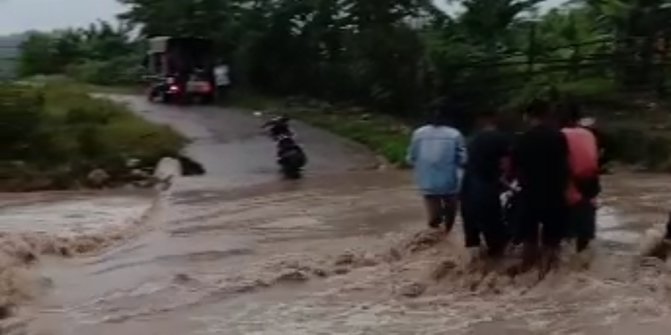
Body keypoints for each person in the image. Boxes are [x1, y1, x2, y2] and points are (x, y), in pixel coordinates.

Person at [512, 99, 570, 272]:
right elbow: (564, 166)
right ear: (547, 114)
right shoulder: (558, 137)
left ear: (528, 116)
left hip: (529, 193)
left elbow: (516, 168)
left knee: (529, 238)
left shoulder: (522, 139)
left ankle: (527, 272)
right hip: (554, 193)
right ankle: (549, 275)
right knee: (552, 240)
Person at [407, 104, 467, 233]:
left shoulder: (418, 133)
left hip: (427, 181)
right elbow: (463, 159)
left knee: (433, 217)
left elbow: (411, 158)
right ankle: (448, 235)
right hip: (450, 181)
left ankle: (434, 238)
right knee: (451, 209)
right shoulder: (454, 134)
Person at [461, 110, 512, 257]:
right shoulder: (501, 138)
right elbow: (506, 166)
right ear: (496, 121)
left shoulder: (471, 139)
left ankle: (474, 270)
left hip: (467, 190)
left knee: (472, 239)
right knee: (497, 239)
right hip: (485, 190)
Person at [561, 102, 601, 254]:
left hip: (570, 182)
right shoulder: (589, 134)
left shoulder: (561, 134)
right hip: (590, 183)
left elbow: (561, 163)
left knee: (566, 231)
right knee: (585, 231)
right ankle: (582, 262)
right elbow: (594, 160)